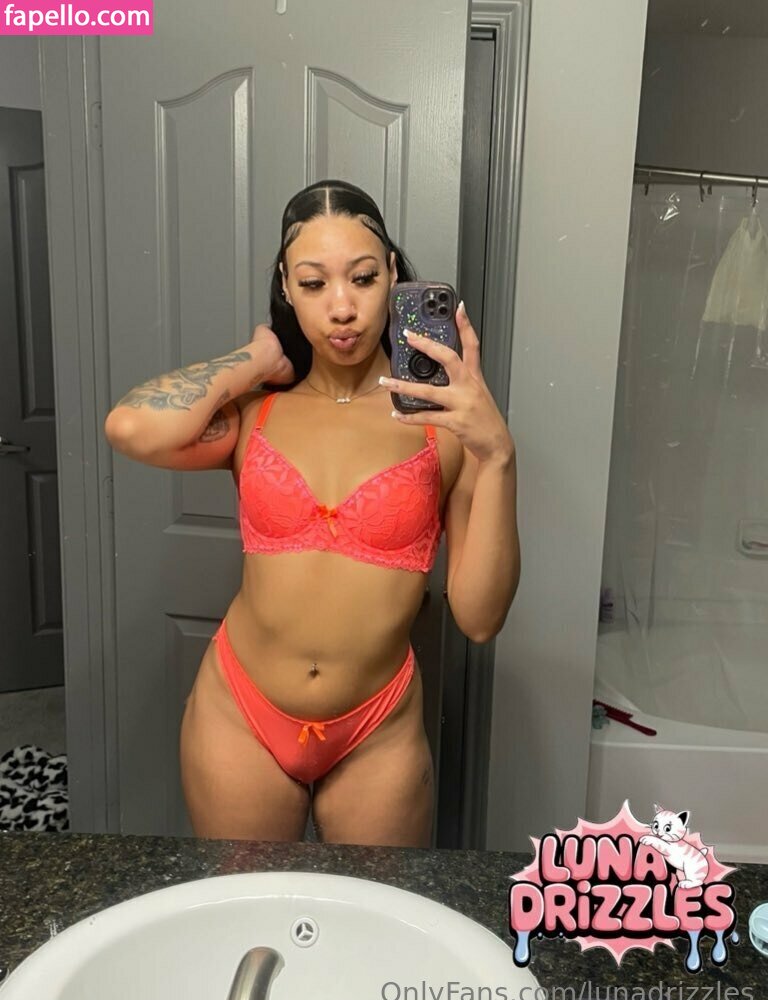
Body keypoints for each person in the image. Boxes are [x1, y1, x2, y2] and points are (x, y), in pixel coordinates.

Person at [104, 179, 520, 847]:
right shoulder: (256, 413)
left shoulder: (448, 428)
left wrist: (497, 454)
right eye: (313, 283)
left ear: (393, 275)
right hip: (240, 712)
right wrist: (255, 357)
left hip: (377, 727)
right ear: (286, 287)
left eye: (363, 277)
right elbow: (130, 426)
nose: (342, 307)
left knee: (372, 910)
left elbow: (479, 617)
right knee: (249, 905)